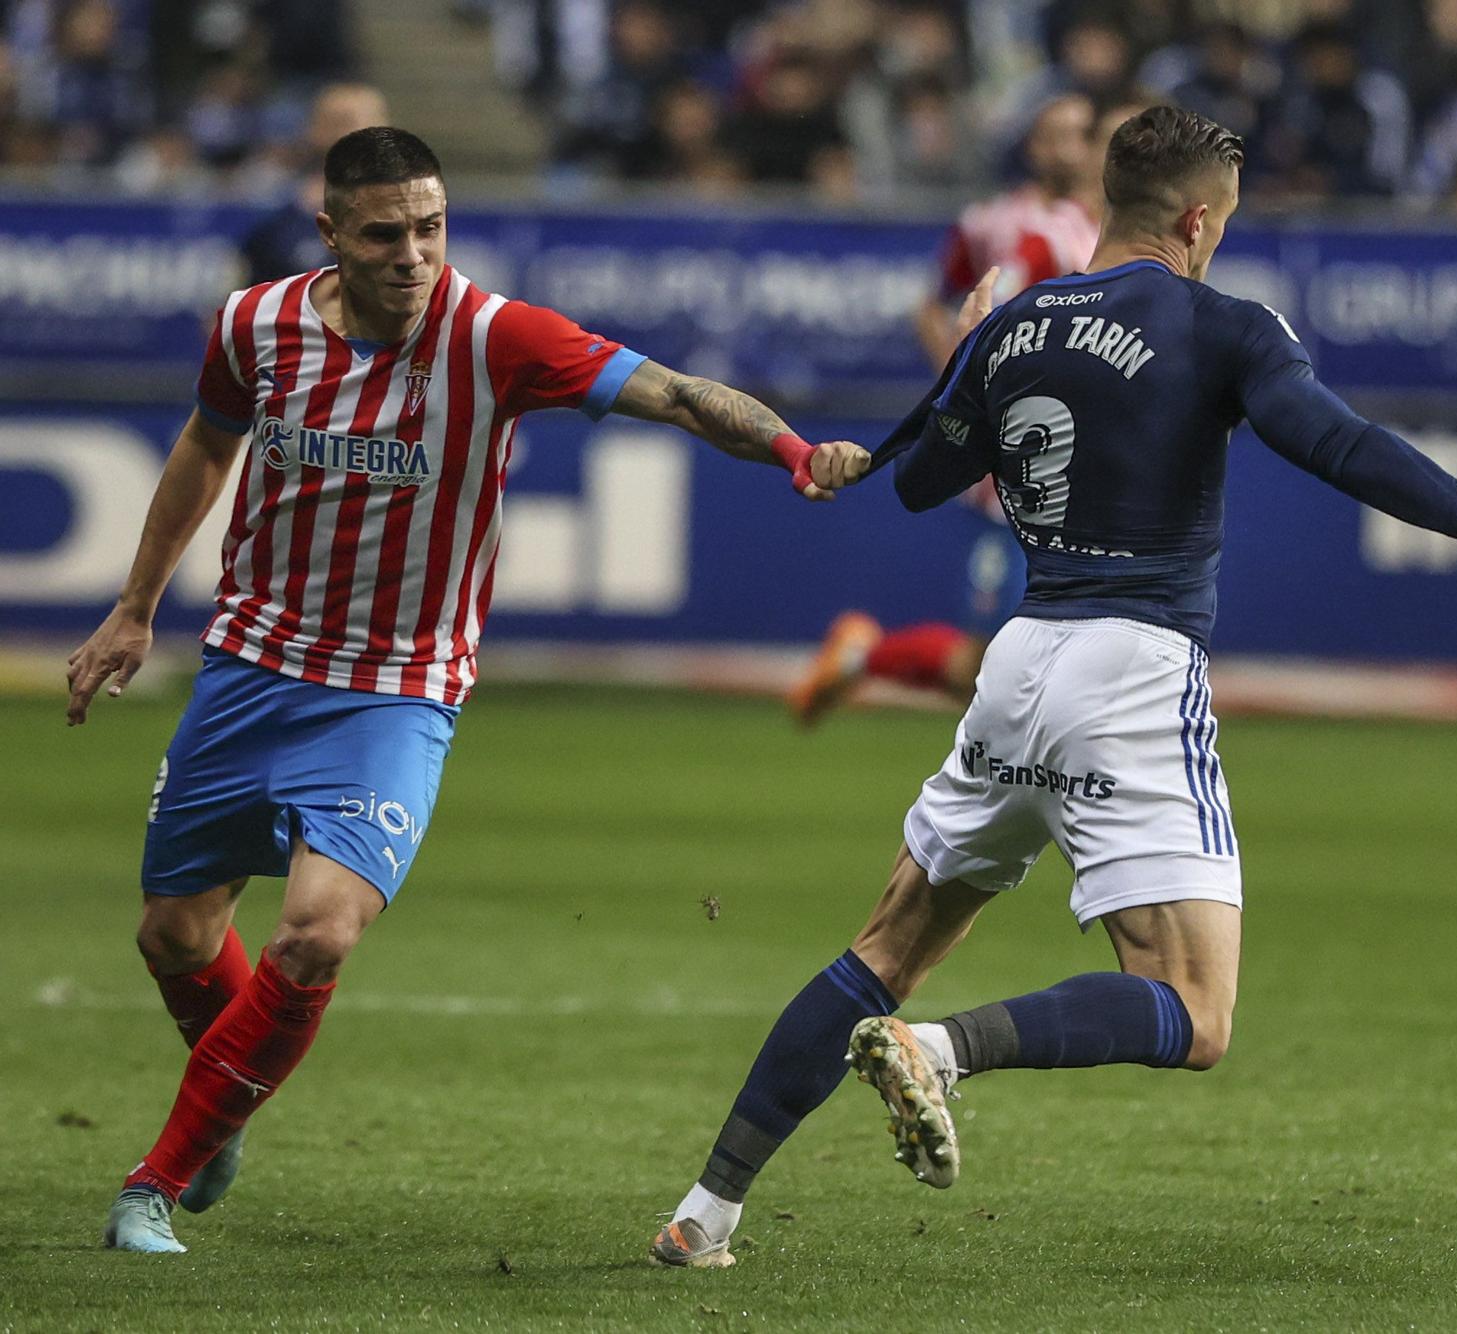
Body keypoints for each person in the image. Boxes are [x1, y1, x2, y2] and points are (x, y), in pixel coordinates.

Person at [649, 105, 1457, 1269]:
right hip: (1132, 669)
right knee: (1195, 1012)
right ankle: (941, 1051)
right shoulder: (1222, 324)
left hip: (1018, 662)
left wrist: (968, 352)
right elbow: (1334, 441)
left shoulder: (1010, 327)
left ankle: (705, 1211)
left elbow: (918, 485)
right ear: (1197, 218)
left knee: (884, 939)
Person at [70, 126, 870, 1255]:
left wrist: (792, 449)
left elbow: (681, 395)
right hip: (250, 667)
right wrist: (136, 605)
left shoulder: (497, 338)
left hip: (394, 690)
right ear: (333, 232)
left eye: (431, 229)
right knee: (173, 934)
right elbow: (207, 443)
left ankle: (155, 1178)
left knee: (315, 935)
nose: (413, 254)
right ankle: (229, 1094)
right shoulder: (253, 325)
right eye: (387, 233)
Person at [790, 93, 1100, 721]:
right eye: (1057, 135)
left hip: (1073, 460)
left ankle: (865, 658)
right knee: (994, 665)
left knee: (1026, 666)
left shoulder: (1099, 235)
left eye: (1081, 136)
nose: (1069, 149)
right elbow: (962, 309)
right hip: (1023, 460)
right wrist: (965, 388)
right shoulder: (1023, 231)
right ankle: (865, 660)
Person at [240, 84, 391, 285]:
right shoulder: (276, 220)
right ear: (312, 129)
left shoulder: (411, 214)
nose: (342, 133)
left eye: (349, 121)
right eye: (332, 122)